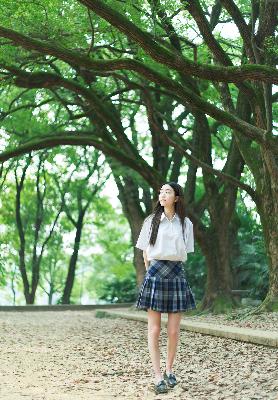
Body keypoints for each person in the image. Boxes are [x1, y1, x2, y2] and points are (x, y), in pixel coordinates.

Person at [135, 182, 197, 395]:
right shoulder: (150, 221)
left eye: (167, 192)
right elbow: (144, 251)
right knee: (154, 329)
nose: (162, 195)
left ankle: (170, 370)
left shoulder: (185, 223)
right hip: (155, 272)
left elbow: (186, 251)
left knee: (173, 330)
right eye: (161, 192)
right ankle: (157, 375)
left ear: (177, 198)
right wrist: (150, 273)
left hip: (176, 273)